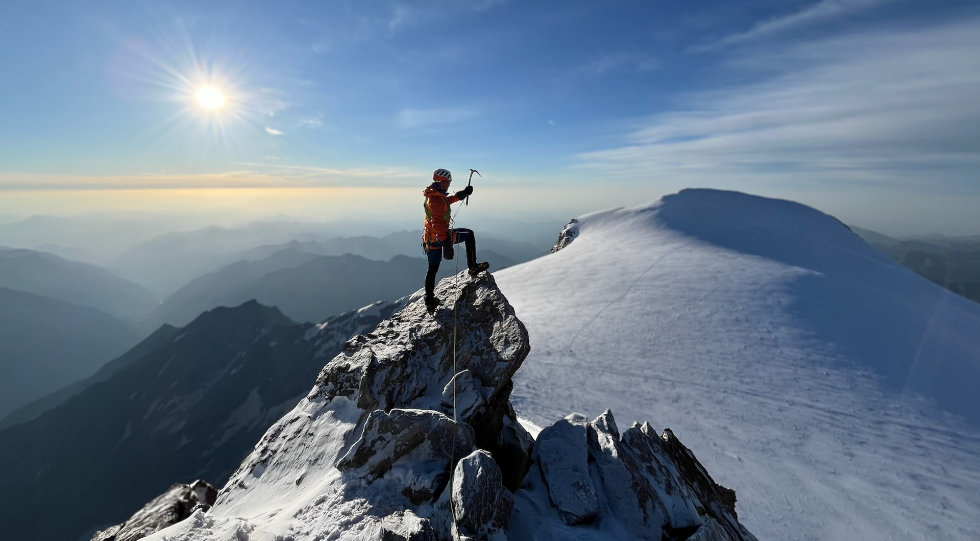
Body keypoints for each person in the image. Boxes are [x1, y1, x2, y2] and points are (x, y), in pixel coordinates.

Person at [422, 168, 489, 310]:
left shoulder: (434, 195)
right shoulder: (435, 200)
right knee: (469, 234)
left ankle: (429, 300)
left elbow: (447, 202)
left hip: (430, 239)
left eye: (450, 182)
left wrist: (462, 194)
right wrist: (446, 242)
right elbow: (437, 223)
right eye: (447, 182)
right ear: (440, 182)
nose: (449, 184)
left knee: (432, 268)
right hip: (441, 236)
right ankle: (473, 267)